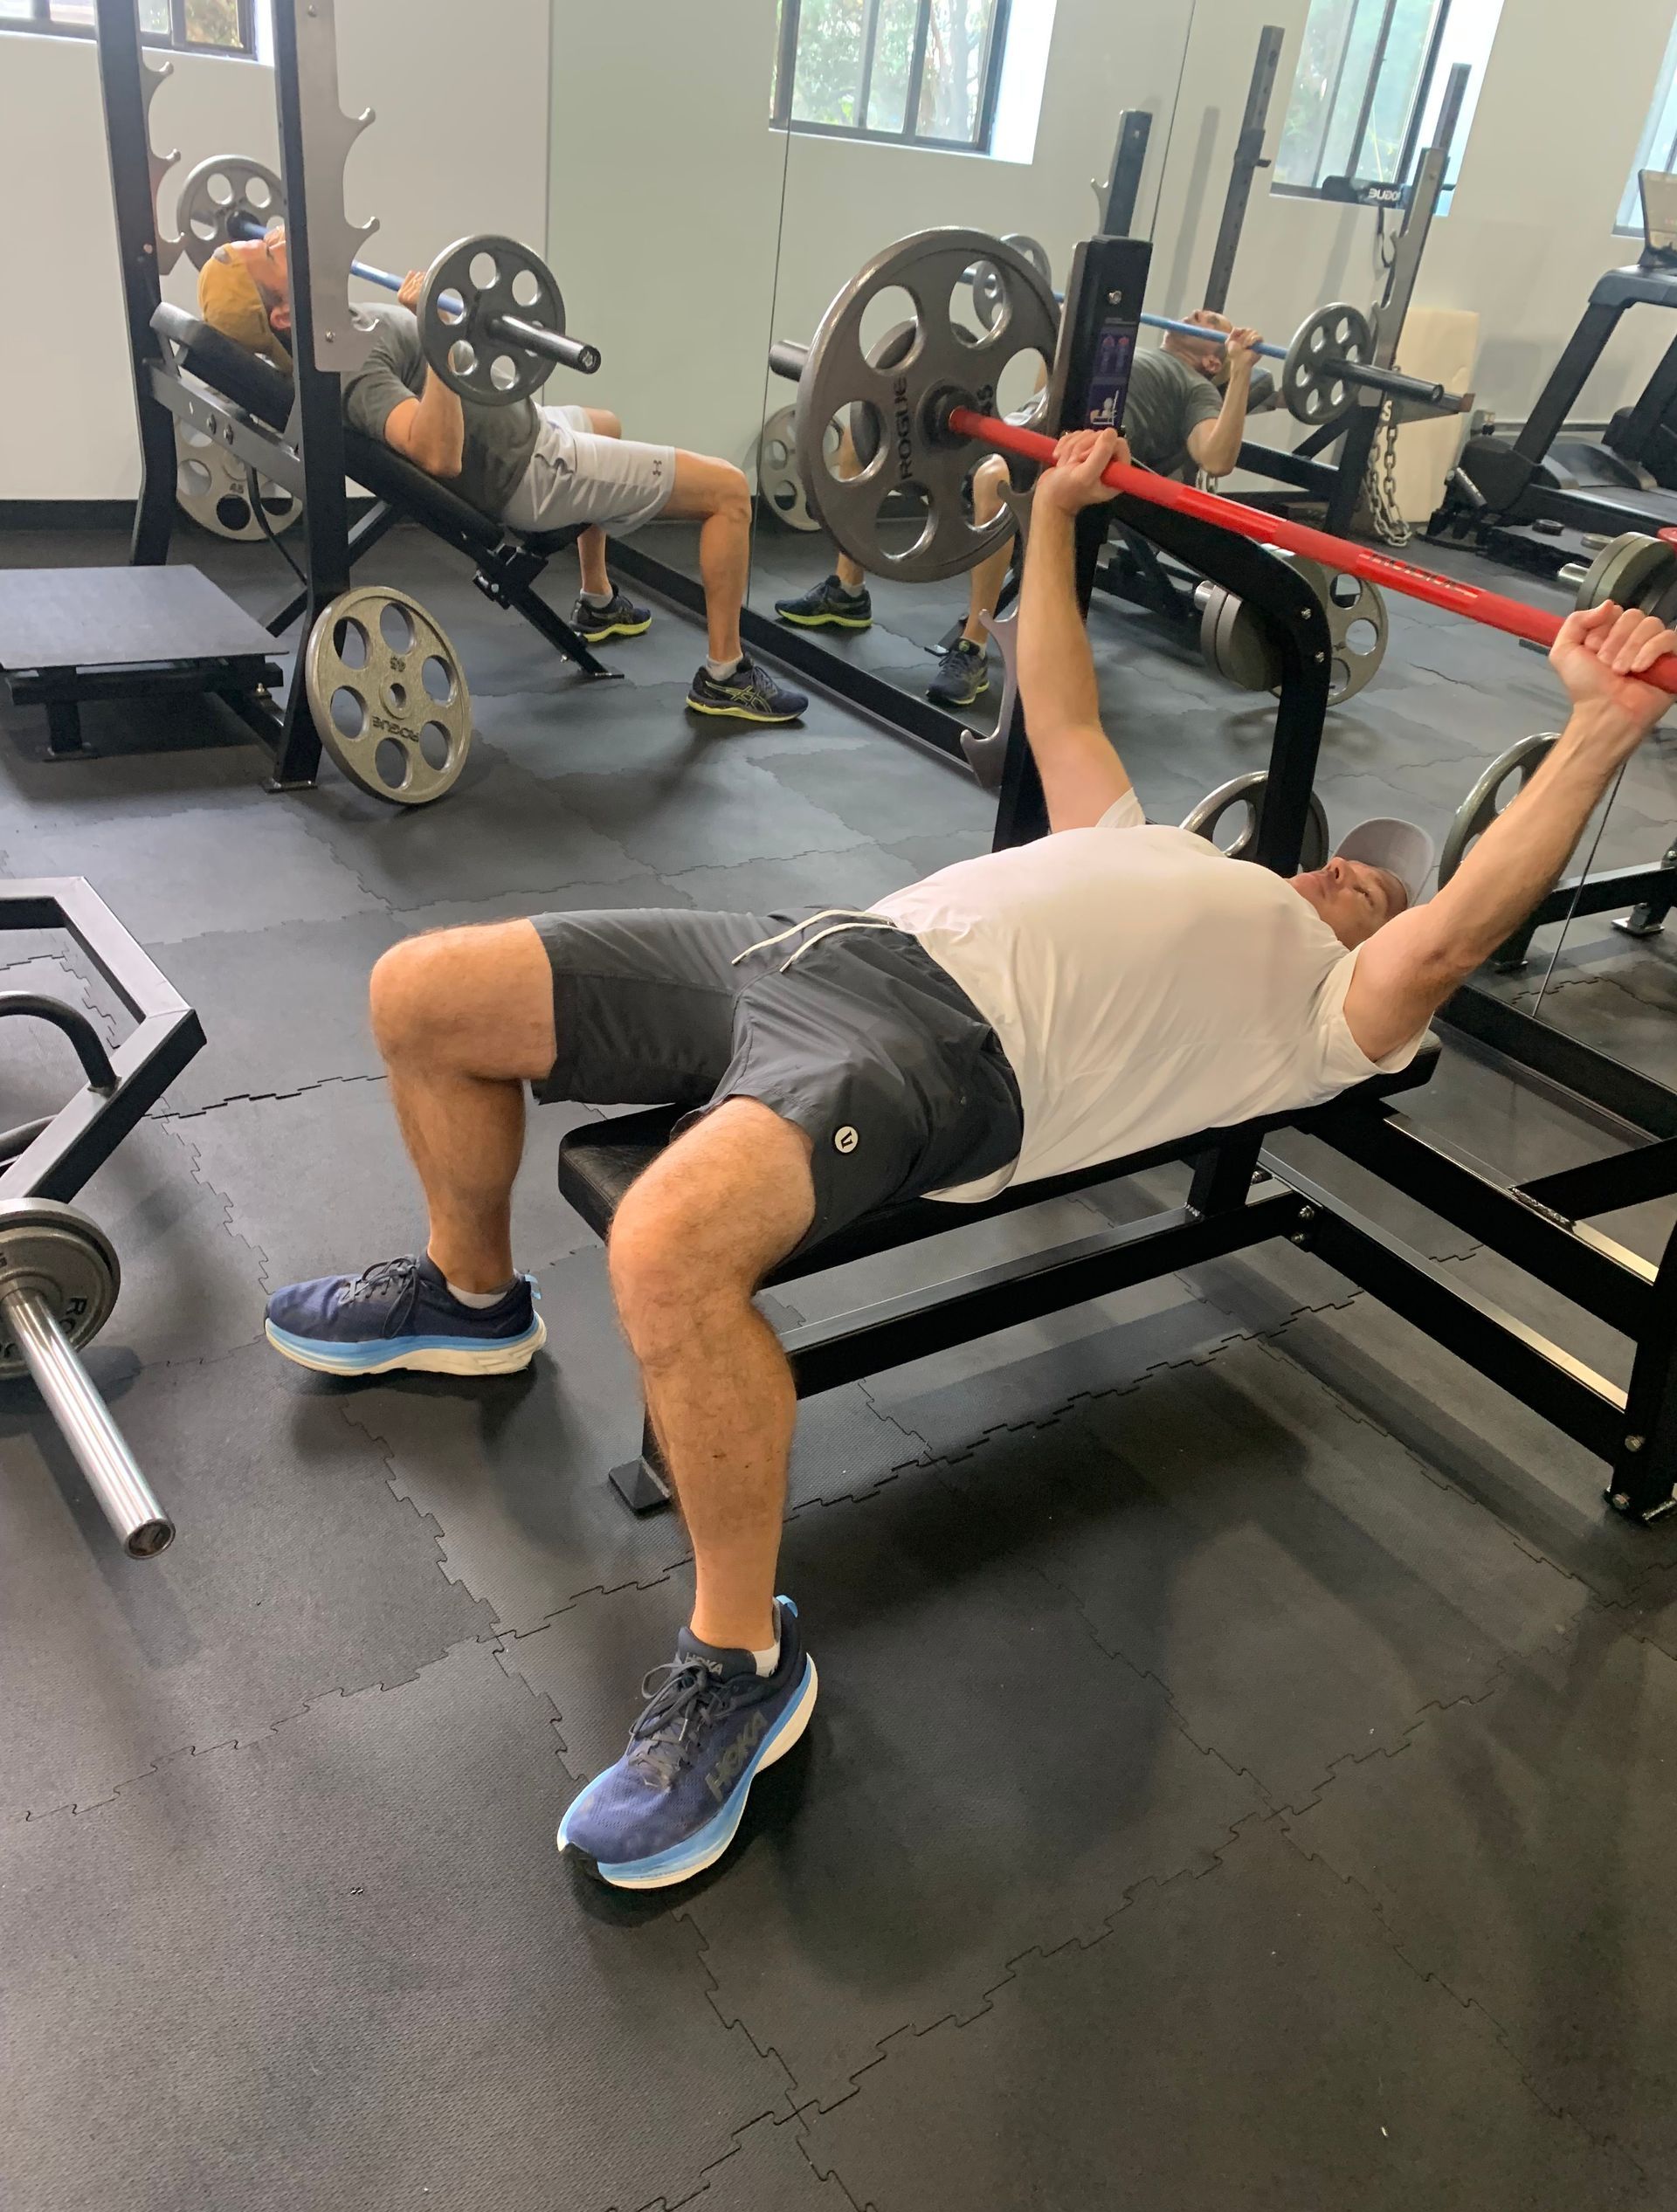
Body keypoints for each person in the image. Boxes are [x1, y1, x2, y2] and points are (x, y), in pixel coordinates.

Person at [263, 424, 1677, 1892]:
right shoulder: (1169, 851)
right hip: (804, 946)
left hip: (930, 1060)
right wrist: (1058, 513)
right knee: (423, 991)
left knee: (670, 1242)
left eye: (1370, 885)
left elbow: (1457, 929)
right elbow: (1058, 710)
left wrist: (1602, 725)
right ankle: (471, 1297)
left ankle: (740, 1662)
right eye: (1338, 855)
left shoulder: (1334, 1016)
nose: (1344, 871)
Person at [197, 224, 805, 724]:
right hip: (532, 471)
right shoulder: (349, 366)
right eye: (273, 251)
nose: (284, 233)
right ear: (281, 316)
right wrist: (439, 338)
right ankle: (727, 675)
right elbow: (438, 456)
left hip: (528, 429)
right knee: (727, 491)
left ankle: (597, 601)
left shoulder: (335, 332)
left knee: (609, 422)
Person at [775, 309, 1262, 709]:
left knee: (996, 478)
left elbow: (1216, 457)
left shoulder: (1194, 387)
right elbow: (1048, 390)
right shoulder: (1128, 353)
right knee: (868, 430)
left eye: (1215, 320)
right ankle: (847, 592)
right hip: (1021, 432)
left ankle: (973, 648)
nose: (1201, 312)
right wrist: (1060, 335)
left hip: (1076, 467)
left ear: (1211, 361)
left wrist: (1241, 373)